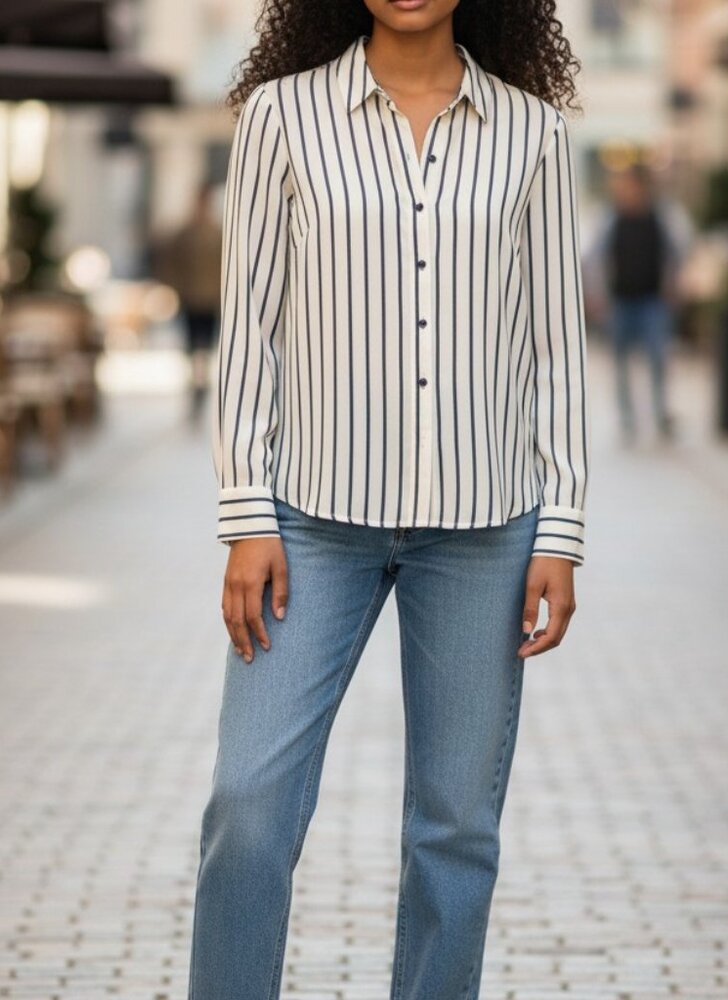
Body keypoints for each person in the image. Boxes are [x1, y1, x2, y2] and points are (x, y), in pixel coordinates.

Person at [189, 3, 589, 998]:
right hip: (310, 524)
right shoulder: (280, 118)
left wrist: (563, 526)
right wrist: (246, 512)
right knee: (248, 802)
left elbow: (559, 352)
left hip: (485, 529)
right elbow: (250, 335)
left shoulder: (532, 134)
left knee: (455, 827)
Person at [589, 162, 687, 443]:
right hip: (620, 301)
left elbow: (678, 251)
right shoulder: (611, 219)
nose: (626, 191)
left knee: (658, 359)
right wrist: (597, 295)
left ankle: (660, 415)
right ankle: (628, 420)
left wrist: (673, 285)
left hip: (652, 301)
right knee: (620, 364)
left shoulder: (661, 217)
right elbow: (595, 259)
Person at [159, 182, 224, 421]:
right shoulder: (185, 233)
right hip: (190, 300)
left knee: (205, 348)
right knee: (191, 348)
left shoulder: (218, 232)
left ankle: (202, 386)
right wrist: (176, 289)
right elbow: (172, 264)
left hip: (211, 301)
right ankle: (195, 387)